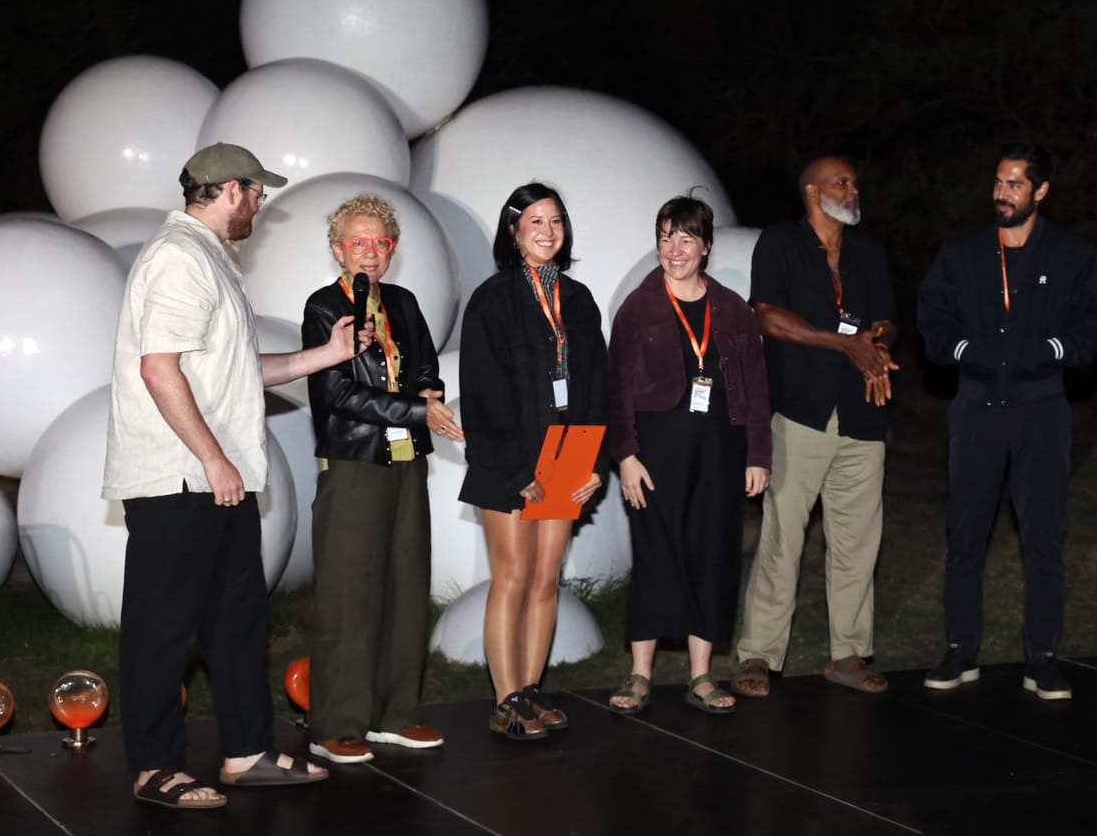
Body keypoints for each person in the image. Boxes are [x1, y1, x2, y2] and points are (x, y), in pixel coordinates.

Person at [103, 143, 369, 809]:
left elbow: (237, 370)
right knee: (163, 629)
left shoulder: (208, 258)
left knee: (237, 621)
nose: (259, 205)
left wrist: (327, 354)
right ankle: (153, 768)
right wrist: (212, 457)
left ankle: (246, 752)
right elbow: (158, 369)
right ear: (230, 191)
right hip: (180, 480)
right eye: (256, 193)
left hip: (216, 479)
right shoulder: (178, 257)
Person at [916, 142, 1097, 700]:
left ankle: (1042, 657)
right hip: (976, 408)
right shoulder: (962, 254)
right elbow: (931, 317)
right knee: (965, 535)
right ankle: (961, 649)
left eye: (1015, 184)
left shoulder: (1070, 255)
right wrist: (961, 350)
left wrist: (1054, 350)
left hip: (1041, 410)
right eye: (998, 182)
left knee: (1044, 538)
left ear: (1040, 191)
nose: (1001, 193)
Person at [301, 194, 460, 764]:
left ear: (392, 249)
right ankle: (336, 723)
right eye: (358, 242)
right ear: (338, 249)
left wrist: (428, 392)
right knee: (350, 596)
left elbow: (425, 366)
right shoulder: (325, 307)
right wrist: (418, 410)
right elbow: (337, 393)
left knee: (406, 588)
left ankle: (396, 715)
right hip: (353, 463)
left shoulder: (404, 302)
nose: (370, 252)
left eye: (381, 242)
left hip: (406, 459)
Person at [733, 156, 899, 699]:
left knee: (857, 542)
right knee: (782, 538)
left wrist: (876, 343)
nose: (853, 190)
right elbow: (766, 316)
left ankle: (848, 653)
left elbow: (886, 321)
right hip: (799, 413)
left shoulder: (868, 253)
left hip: (862, 416)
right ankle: (759, 654)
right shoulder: (781, 243)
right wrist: (845, 344)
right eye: (841, 182)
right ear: (811, 191)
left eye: (854, 183)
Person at [606, 196, 771, 716]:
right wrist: (626, 455)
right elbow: (617, 390)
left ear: (706, 246)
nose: (674, 249)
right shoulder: (638, 307)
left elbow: (755, 386)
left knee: (712, 555)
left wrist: (758, 454)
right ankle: (640, 674)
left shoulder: (733, 309)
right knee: (656, 556)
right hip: (655, 455)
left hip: (720, 453)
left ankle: (701, 675)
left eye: (686, 238)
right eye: (665, 237)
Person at [458, 182, 608, 740]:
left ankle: (530, 690)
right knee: (513, 577)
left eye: (556, 221)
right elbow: (482, 393)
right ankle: (506, 701)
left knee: (546, 580)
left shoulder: (580, 298)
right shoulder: (493, 298)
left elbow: (597, 386)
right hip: (509, 458)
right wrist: (518, 472)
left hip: (568, 452)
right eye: (536, 221)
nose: (548, 231)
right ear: (514, 231)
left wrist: (597, 461)